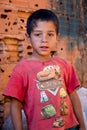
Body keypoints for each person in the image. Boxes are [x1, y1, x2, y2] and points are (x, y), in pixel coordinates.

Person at [3, 9, 86, 130]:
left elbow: (73, 96)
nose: (44, 40)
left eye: (50, 34)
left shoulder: (64, 65)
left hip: (70, 126)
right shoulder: (22, 69)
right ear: (28, 38)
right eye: (37, 34)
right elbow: (15, 104)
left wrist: (83, 125)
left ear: (57, 37)